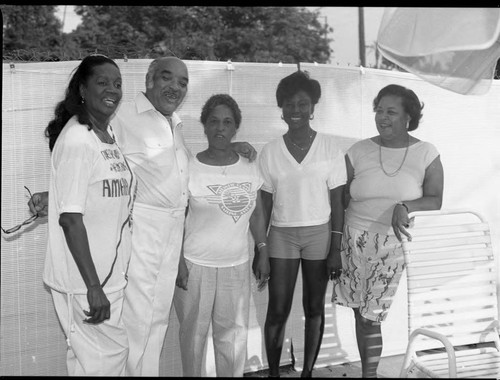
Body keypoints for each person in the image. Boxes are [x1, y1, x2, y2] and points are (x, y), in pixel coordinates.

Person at [28, 56, 256, 377]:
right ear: (149, 80)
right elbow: (92, 165)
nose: (175, 86)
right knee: (135, 325)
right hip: (141, 235)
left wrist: (233, 148)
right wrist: (55, 197)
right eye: (167, 78)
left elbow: (179, 175)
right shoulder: (121, 117)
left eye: (182, 82)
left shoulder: (173, 124)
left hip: (171, 236)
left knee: (156, 322)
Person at [332, 84, 444, 377]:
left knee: (372, 317)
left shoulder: (426, 153)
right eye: (379, 110)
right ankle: (369, 374)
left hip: (392, 245)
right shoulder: (358, 151)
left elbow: (435, 199)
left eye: (391, 112)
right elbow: (340, 196)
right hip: (353, 239)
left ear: (409, 116)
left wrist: (406, 205)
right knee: (359, 310)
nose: (383, 117)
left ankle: (369, 375)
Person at [43, 54, 137, 376]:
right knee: (108, 363)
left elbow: (92, 192)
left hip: (109, 274)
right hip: (86, 280)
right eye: (103, 82)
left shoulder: (107, 136)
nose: (113, 89)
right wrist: (93, 287)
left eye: (118, 83)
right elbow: (70, 219)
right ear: (83, 89)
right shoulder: (78, 139)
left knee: (90, 366)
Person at [173, 94, 270, 377]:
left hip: (235, 266)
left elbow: (257, 212)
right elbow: (176, 218)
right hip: (195, 266)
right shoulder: (189, 167)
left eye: (227, 122)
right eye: (213, 121)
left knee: (233, 340)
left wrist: (263, 249)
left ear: (235, 128)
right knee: (193, 338)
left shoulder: (249, 164)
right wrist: (178, 261)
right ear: (204, 125)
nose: (220, 128)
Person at [259, 70, 346, 377]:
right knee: (278, 309)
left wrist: (336, 248)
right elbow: (263, 205)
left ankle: (307, 372)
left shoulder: (330, 148)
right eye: (289, 104)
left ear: (313, 107)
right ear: (281, 109)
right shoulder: (270, 152)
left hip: (319, 235)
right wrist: (261, 248)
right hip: (281, 235)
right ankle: (273, 373)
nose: (295, 110)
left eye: (302, 103)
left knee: (313, 308)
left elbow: (338, 203)